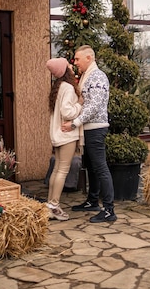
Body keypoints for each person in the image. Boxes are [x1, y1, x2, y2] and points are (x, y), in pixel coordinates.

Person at [62, 45, 116, 223]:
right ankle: (92, 201)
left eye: (77, 59)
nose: (75, 62)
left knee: (100, 167)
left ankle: (109, 210)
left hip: (96, 128)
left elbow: (93, 106)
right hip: (88, 128)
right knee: (92, 167)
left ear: (89, 58)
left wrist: (75, 123)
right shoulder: (87, 76)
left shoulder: (98, 77)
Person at [46, 57, 83, 221]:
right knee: (62, 170)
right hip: (66, 135)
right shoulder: (68, 87)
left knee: (56, 170)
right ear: (65, 70)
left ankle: (50, 204)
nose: (72, 66)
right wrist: (80, 104)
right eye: (69, 65)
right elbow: (68, 112)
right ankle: (54, 205)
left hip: (58, 135)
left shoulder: (58, 87)